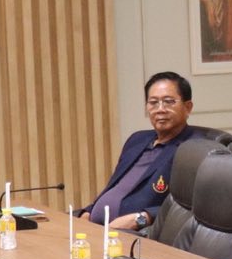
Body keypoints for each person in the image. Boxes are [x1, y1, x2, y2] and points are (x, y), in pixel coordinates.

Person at [81, 72, 199, 232]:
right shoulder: (137, 140)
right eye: (153, 103)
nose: (160, 109)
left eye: (169, 102)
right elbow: (115, 187)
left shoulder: (194, 149)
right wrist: (88, 212)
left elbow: (190, 207)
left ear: (188, 107)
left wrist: (142, 218)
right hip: (94, 228)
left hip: (134, 235)